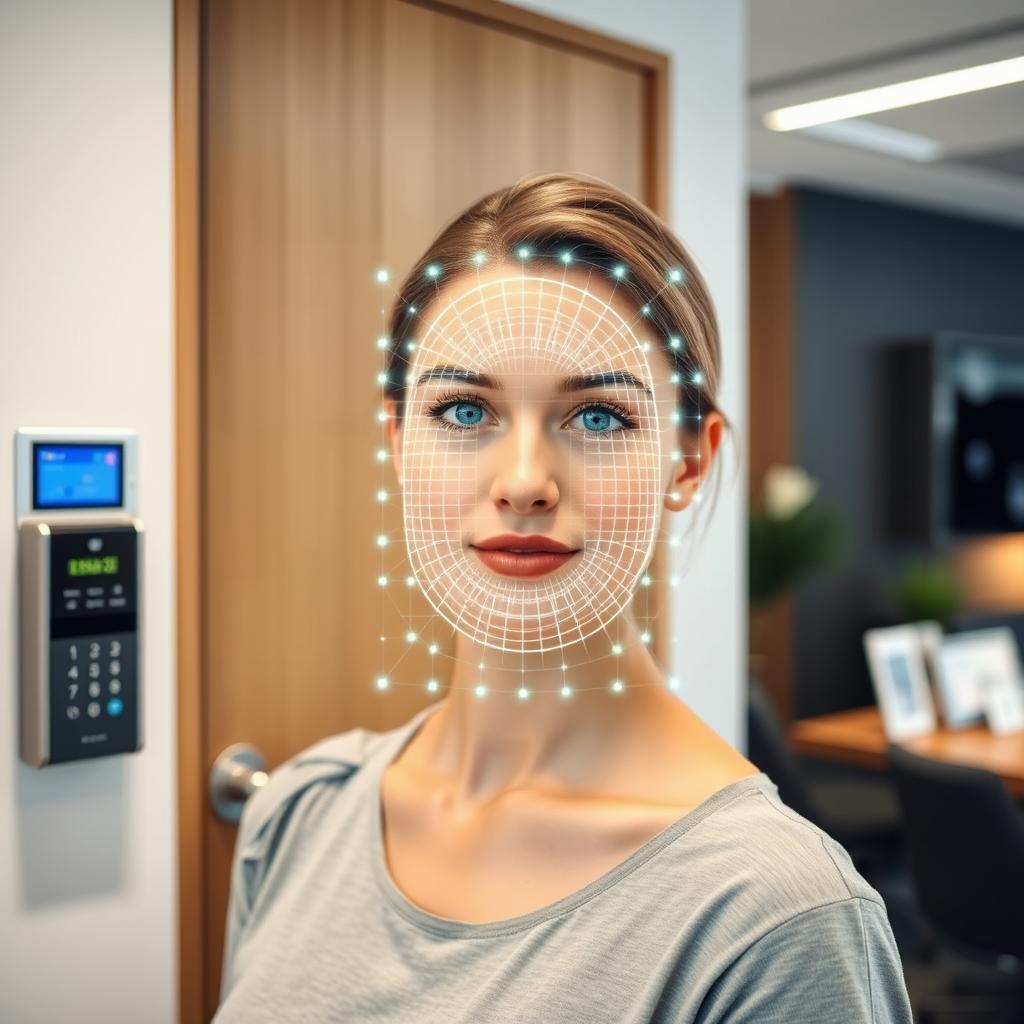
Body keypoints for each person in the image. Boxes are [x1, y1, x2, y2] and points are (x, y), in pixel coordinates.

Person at [213, 172, 914, 1022]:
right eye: (465, 411)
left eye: (598, 419)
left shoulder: (772, 918)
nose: (523, 483)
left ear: (688, 461)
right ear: (399, 442)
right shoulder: (299, 812)